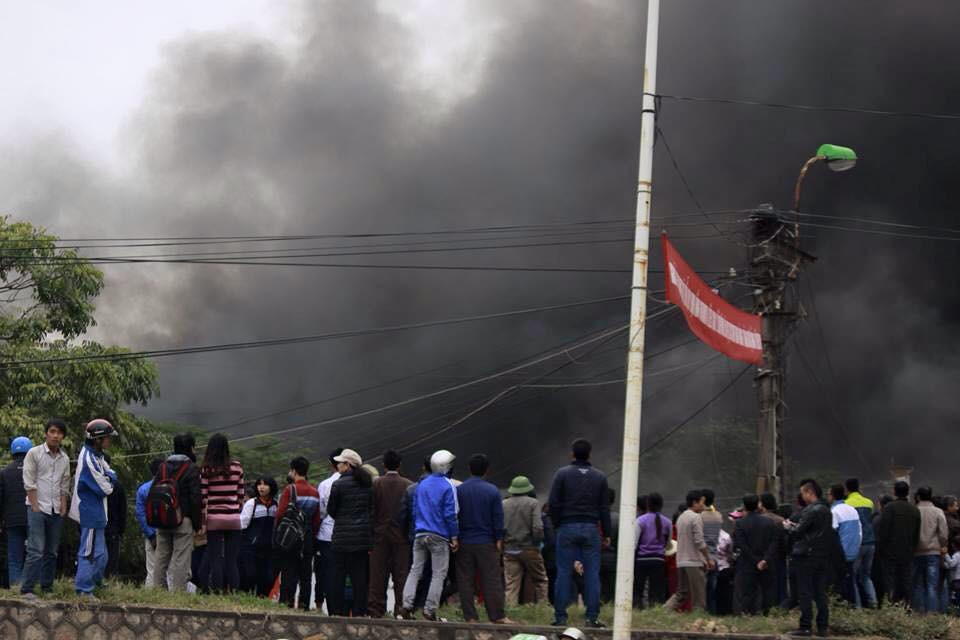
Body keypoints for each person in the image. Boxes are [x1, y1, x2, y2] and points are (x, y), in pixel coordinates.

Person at [547, 438, 611, 628]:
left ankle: (560, 617)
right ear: (589, 455)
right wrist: (606, 532)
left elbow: (553, 503)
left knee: (564, 573)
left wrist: (558, 524)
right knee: (592, 574)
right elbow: (604, 508)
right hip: (591, 528)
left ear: (572, 454)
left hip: (567, 527)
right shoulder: (600, 477)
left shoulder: (562, 474)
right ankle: (592, 617)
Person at [399, 449, 460, 621]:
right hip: (439, 536)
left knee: (415, 570)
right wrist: (454, 537)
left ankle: (406, 606)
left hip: (419, 534)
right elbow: (451, 514)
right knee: (438, 574)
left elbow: (415, 510)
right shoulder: (448, 485)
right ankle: (429, 610)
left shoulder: (422, 484)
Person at [455, 453, 510, 624]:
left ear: (470, 469)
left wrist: (455, 536)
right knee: (491, 579)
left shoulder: (459, 490)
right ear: (487, 470)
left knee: (465, 581)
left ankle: (470, 617)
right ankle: (497, 616)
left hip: (464, 541)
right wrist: (499, 539)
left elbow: (454, 515)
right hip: (486, 542)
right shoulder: (492, 490)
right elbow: (497, 517)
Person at [20, 420, 71, 600]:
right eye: (52, 431)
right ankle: (27, 588)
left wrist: (63, 506)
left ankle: (47, 587)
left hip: (55, 510)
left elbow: (64, 484)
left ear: (63, 436)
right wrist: (34, 507)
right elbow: (29, 482)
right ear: (46, 433)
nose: (55, 435)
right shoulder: (34, 453)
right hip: (37, 507)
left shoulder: (64, 458)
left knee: (52, 551)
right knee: (36, 549)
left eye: (59, 433)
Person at [69, 419, 118, 599]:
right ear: (98, 439)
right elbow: (107, 488)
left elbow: (110, 474)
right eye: (107, 437)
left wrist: (110, 476)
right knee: (88, 552)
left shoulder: (98, 455)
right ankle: (83, 589)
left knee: (101, 553)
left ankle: (96, 581)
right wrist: (111, 477)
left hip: (97, 512)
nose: (109, 441)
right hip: (88, 512)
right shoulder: (89, 459)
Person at [153, 433, 203, 591]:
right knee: (181, 559)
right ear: (190, 448)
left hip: (162, 519)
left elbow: (153, 492)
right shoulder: (192, 468)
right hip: (184, 519)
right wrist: (197, 524)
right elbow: (196, 498)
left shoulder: (162, 467)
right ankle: (178, 593)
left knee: (161, 556)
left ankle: (158, 591)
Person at [328, 448, 374, 616]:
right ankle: (359, 612)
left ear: (347, 465)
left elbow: (331, 510)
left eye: (340, 463)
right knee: (359, 578)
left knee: (338, 576)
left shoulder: (338, 484)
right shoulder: (368, 483)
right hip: (362, 538)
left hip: (341, 538)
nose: (338, 465)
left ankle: (337, 611)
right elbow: (371, 509)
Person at [784, 479, 833, 638]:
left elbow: (798, 531)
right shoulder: (826, 510)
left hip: (806, 556)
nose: (802, 496)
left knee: (804, 591)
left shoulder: (810, 511)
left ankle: (805, 626)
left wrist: (788, 526)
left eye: (802, 492)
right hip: (822, 556)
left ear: (809, 492)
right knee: (820, 592)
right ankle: (823, 627)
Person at [368, 449, 413, 618]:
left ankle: (376, 611)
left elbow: (371, 511)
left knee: (378, 576)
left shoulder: (376, 484)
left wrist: (371, 534)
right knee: (401, 576)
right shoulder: (408, 485)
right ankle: (401, 610)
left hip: (379, 537)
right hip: (402, 537)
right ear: (400, 465)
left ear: (383, 465)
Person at [199, 433, 245, 593]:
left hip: (214, 519)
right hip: (233, 519)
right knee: (232, 561)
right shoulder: (237, 467)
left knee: (215, 559)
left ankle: (218, 592)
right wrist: (234, 511)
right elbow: (240, 496)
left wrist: (203, 523)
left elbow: (203, 498)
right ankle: (233, 593)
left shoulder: (206, 469)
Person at [276, 456, 322, 609]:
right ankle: (304, 605)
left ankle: (286, 604)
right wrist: (311, 535)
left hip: (290, 537)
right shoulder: (315, 492)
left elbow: (280, 513)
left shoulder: (290, 489)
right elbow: (316, 519)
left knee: (289, 571)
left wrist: (278, 534)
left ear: (294, 471)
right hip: (307, 536)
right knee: (306, 574)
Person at [503, 475, 548, 607]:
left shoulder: (503, 504)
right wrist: (537, 543)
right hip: (529, 548)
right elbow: (538, 527)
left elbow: (500, 527)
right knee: (540, 580)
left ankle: (510, 610)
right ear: (527, 489)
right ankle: (542, 608)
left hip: (509, 549)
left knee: (511, 584)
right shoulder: (533, 503)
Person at [664, 490, 712, 612]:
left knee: (681, 593)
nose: (704, 506)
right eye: (702, 502)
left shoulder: (681, 517)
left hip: (681, 560)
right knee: (699, 596)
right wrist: (708, 558)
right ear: (695, 503)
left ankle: (663, 611)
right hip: (694, 561)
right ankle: (698, 618)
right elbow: (699, 541)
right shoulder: (696, 517)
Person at [732, 494, 779, 615]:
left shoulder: (740, 523)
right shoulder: (769, 522)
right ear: (758, 505)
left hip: (747, 564)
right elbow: (774, 543)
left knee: (747, 592)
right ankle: (766, 615)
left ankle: (747, 615)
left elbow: (742, 545)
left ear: (744, 506)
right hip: (766, 564)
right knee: (767, 591)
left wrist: (755, 561)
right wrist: (765, 560)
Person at [876, 481, 920, 606]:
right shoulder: (914, 510)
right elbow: (916, 534)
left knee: (890, 581)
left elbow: (884, 531)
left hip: (890, 552)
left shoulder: (889, 508)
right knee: (906, 580)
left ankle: (891, 606)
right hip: (907, 552)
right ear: (907, 492)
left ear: (894, 492)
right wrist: (912, 549)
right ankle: (907, 606)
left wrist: (881, 549)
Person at [314, 447, 343, 613]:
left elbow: (321, 511)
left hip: (326, 535)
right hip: (346, 536)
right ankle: (338, 608)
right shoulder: (358, 482)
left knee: (323, 572)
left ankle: (319, 605)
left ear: (331, 464)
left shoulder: (325, 484)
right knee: (340, 573)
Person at [239, 476, 278, 596]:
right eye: (259, 484)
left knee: (267, 577)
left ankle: (261, 599)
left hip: (269, 548)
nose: (261, 487)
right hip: (251, 547)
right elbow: (242, 523)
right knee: (250, 575)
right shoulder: (252, 503)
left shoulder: (276, 504)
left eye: (265, 484)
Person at [0, 436, 31, 586]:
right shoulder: (35, 470)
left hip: (12, 521)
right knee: (34, 554)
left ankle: (15, 587)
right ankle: (30, 586)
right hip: (34, 517)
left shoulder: (5, 472)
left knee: (14, 556)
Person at [912, 485, 947, 613]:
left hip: (916, 552)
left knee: (918, 584)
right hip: (933, 552)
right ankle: (932, 612)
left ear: (918, 497)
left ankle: (919, 612)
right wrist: (943, 545)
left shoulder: (914, 510)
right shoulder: (938, 511)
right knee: (932, 585)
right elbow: (943, 533)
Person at [843, 478, 878, 608]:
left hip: (857, 543)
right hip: (871, 543)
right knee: (866, 576)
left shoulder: (846, 504)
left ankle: (857, 606)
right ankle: (873, 603)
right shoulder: (869, 502)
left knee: (852, 576)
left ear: (846, 489)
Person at [634, 492, 671, 608]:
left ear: (648, 504)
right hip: (658, 559)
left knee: (638, 587)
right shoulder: (667, 522)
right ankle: (654, 610)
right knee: (656, 589)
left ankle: (637, 609)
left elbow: (634, 543)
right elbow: (668, 543)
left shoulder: (640, 520)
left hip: (641, 559)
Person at [828, 484, 862, 605]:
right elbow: (859, 531)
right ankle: (854, 607)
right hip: (853, 552)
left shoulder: (834, 511)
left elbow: (831, 534)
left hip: (840, 554)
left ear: (832, 496)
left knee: (839, 585)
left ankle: (841, 608)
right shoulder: (852, 509)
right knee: (851, 582)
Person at [135, 458, 163, 587]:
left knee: (151, 568)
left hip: (150, 532)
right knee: (169, 568)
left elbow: (141, 514)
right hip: (168, 531)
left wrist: (151, 535)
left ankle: (150, 594)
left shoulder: (143, 489)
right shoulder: (171, 487)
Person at [757, 493, 787, 609]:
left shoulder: (760, 520)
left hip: (762, 556)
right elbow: (783, 541)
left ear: (763, 504)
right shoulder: (780, 520)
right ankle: (780, 606)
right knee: (779, 583)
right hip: (778, 556)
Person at [103, 455, 127, 580]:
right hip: (113, 528)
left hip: (99, 527)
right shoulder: (117, 485)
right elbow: (123, 510)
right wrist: (121, 530)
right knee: (111, 560)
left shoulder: (92, 482)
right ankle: (109, 581)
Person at [700, 488, 724, 614]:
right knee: (711, 591)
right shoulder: (719, 516)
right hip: (715, 557)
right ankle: (712, 613)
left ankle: (701, 614)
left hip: (702, 558)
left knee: (701, 591)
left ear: (702, 500)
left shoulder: (700, 517)